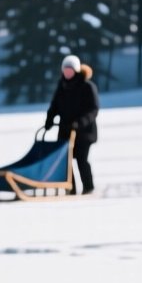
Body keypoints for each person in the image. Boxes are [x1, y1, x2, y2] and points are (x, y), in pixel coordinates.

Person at [45, 54, 100, 194]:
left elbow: (93, 109)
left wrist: (79, 123)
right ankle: (71, 188)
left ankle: (88, 187)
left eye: (70, 70)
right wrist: (49, 120)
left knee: (81, 159)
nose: (67, 73)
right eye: (65, 70)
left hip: (84, 133)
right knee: (65, 161)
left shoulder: (87, 86)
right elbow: (55, 105)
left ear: (76, 71)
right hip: (65, 130)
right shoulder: (62, 86)